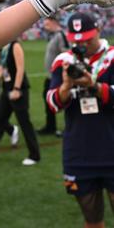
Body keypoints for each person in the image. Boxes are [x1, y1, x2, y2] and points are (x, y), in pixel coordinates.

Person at [46, 12, 114, 228]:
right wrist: (66, 86)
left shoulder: (112, 57)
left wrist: (92, 86)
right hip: (79, 154)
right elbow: (52, 103)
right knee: (92, 222)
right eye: (77, 40)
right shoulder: (64, 62)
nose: (82, 44)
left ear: (99, 31)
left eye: (87, 38)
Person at [37, 13, 69, 136]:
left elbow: (66, 54)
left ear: (54, 22)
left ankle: (68, 128)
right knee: (47, 99)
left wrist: (64, 75)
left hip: (59, 76)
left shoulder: (61, 35)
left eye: (47, 23)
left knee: (66, 101)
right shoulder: (52, 35)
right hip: (50, 76)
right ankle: (50, 126)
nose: (45, 26)